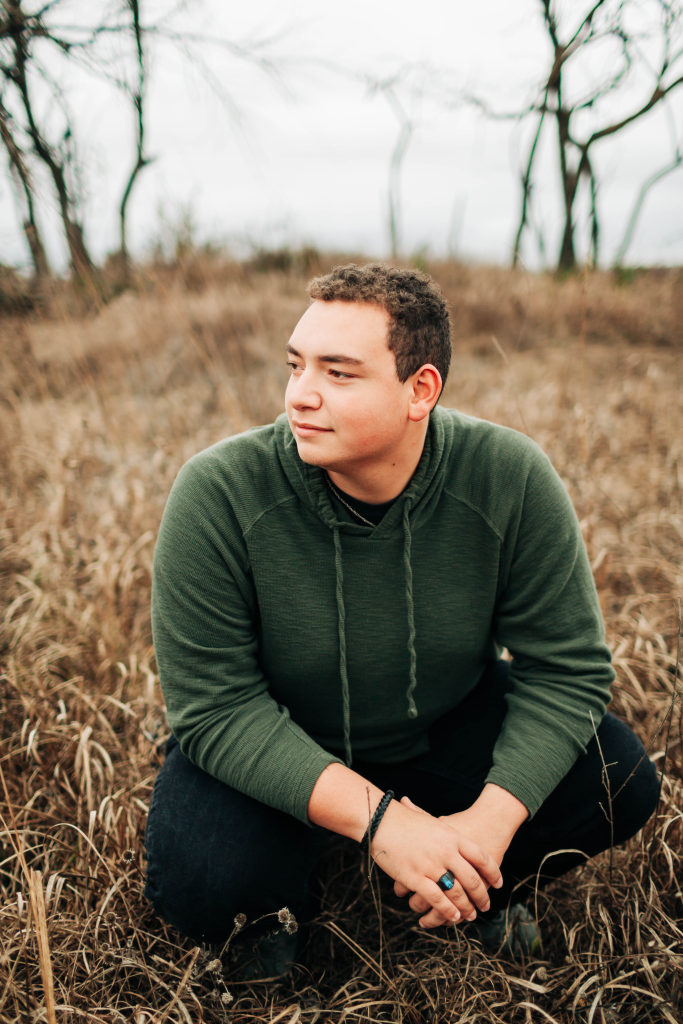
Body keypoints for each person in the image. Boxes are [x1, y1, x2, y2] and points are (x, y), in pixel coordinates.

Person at [144, 263, 658, 970]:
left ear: (420, 390)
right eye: (296, 366)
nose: (301, 395)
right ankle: (280, 916)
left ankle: (472, 883)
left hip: (441, 732)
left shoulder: (506, 475)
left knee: (618, 775)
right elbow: (215, 708)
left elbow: (566, 671)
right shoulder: (218, 492)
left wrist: (485, 829)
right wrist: (382, 824)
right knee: (207, 878)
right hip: (282, 741)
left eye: (339, 373)